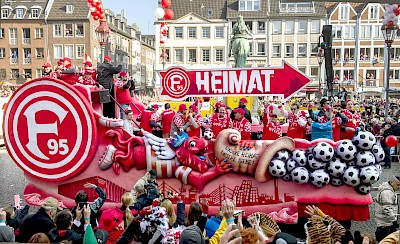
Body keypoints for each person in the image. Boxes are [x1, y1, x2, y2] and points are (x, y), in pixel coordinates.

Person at [374, 175, 400, 242]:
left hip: (386, 221)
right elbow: (387, 208)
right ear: (392, 183)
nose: (399, 187)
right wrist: (394, 220)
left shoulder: (389, 189)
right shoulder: (387, 192)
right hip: (385, 222)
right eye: (398, 185)